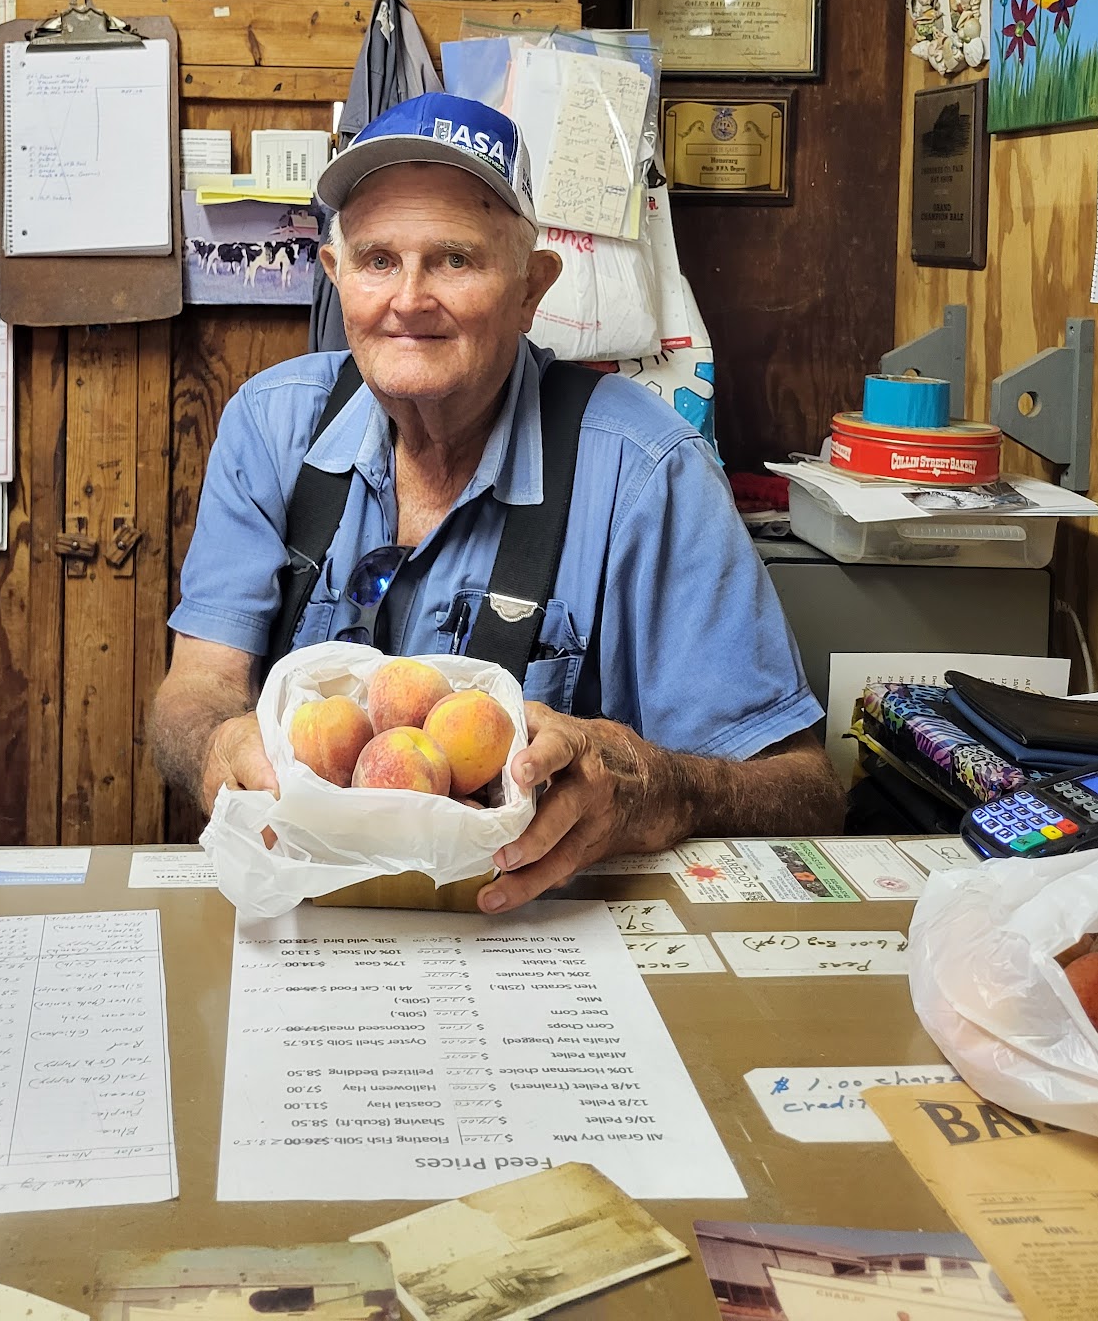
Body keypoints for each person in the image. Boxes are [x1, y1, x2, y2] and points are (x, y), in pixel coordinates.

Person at [151, 94, 842, 912]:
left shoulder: (647, 472)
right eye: (377, 260)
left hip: (533, 931)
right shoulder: (268, 427)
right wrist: (217, 742)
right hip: (302, 910)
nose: (409, 299)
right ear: (336, 281)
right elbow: (193, 688)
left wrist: (663, 787)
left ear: (530, 289)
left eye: (454, 259)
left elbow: (806, 786)